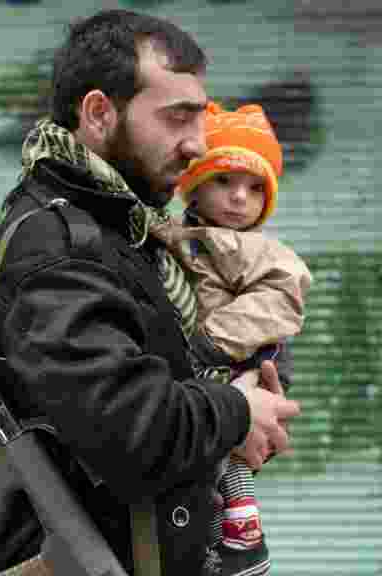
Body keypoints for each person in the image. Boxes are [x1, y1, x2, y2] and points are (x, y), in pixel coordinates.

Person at [0, 9, 302, 576]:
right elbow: (134, 430)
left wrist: (238, 414)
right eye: (177, 119)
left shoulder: (130, 233)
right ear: (99, 113)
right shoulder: (58, 247)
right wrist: (239, 410)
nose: (198, 145)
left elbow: (167, 405)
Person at [148, 101, 313, 576]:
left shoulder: (251, 248)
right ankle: (225, 545)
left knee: (230, 466)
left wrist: (210, 343)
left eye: (255, 187)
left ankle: (243, 547)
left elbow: (286, 292)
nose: (240, 197)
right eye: (224, 180)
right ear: (194, 184)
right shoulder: (189, 234)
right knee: (214, 470)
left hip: (238, 366)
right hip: (215, 373)